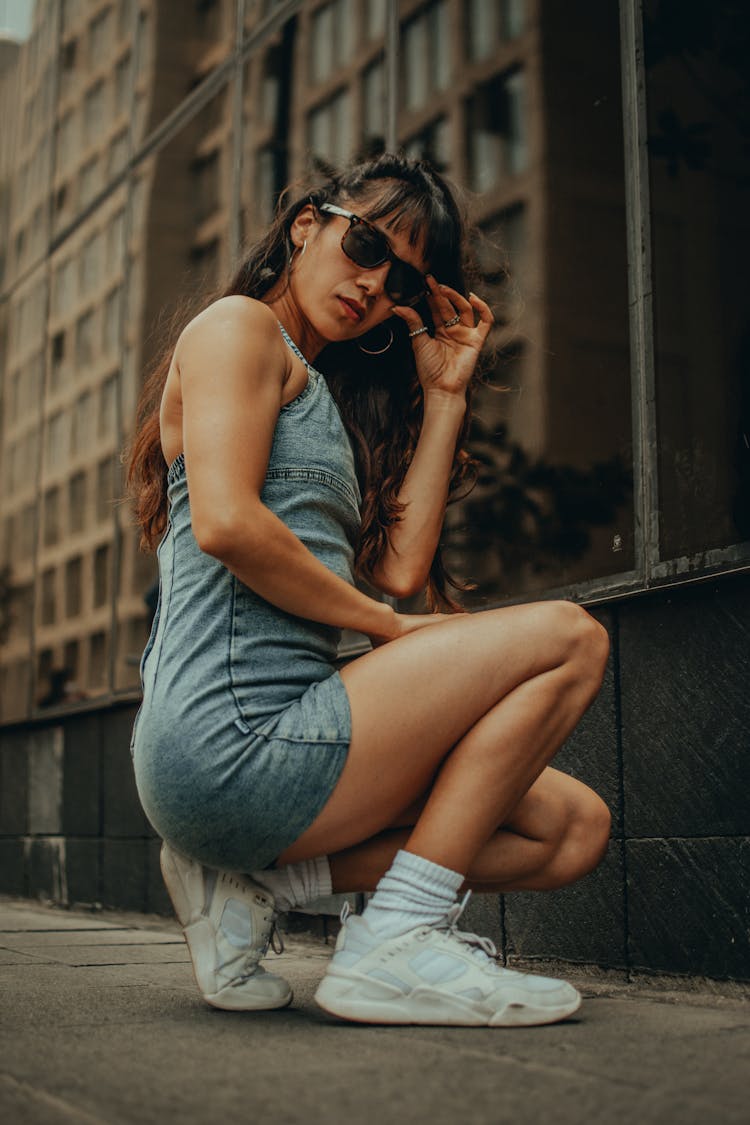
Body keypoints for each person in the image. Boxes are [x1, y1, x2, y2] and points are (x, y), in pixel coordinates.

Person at [127, 153, 610, 1026]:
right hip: (226, 737)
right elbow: (229, 524)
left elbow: (397, 572)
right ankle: (395, 938)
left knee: (570, 828)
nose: (373, 283)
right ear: (306, 224)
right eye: (365, 244)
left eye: (401, 280)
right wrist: (388, 630)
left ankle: (256, 884)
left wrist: (446, 397)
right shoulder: (237, 329)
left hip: (286, 735)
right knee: (573, 638)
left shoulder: (319, 397)